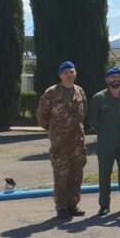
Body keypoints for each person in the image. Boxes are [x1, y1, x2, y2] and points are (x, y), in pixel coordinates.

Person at [36, 60, 88, 218]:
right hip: (60, 143)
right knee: (61, 175)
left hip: (78, 142)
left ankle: (73, 204)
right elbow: (41, 115)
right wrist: (54, 130)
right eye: (66, 73)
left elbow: (84, 111)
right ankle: (61, 206)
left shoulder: (79, 90)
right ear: (60, 75)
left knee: (76, 174)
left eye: (72, 72)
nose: (69, 75)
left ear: (75, 73)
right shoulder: (52, 92)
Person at [87, 66, 120, 216]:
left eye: (119, 76)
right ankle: (104, 205)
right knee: (104, 175)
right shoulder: (99, 97)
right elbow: (93, 121)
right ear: (107, 80)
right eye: (113, 77)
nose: (116, 79)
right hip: (105, 143)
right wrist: (105, 132)